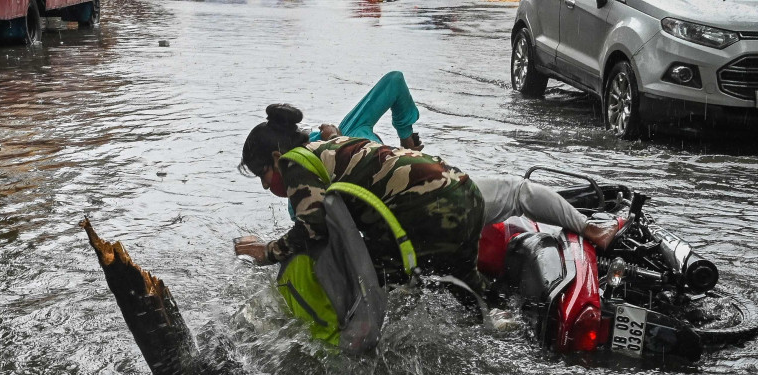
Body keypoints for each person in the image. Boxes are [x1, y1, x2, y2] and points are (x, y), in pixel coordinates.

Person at [234, 105, 619, 287]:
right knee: (517, 192)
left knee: (373, 276)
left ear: (275, 158)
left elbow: (313, 229)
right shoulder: (328, 147)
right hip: (459, 187)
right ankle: (591, 229)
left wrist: (268, 252)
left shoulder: (294, 165)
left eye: (262, 176)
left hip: (433, 214)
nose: (268, 186)